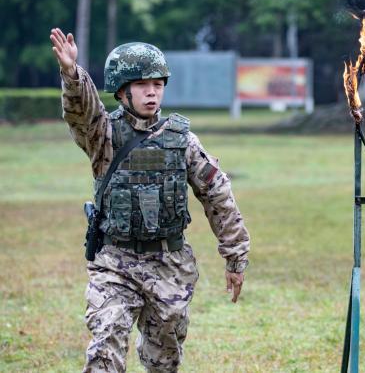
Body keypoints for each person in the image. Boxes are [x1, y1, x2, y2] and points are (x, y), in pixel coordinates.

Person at [50, 28, 250, 372]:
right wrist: (72, 74)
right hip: (114, 263)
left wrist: (235, 256)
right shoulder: (103, 136)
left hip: (168, 266)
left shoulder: (182, 141)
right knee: (105, 346)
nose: (152, 92)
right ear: (123, 91)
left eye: (158, 84)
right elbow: (82, 112)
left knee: (164, 361)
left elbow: (218, 195)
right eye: (143, 85)